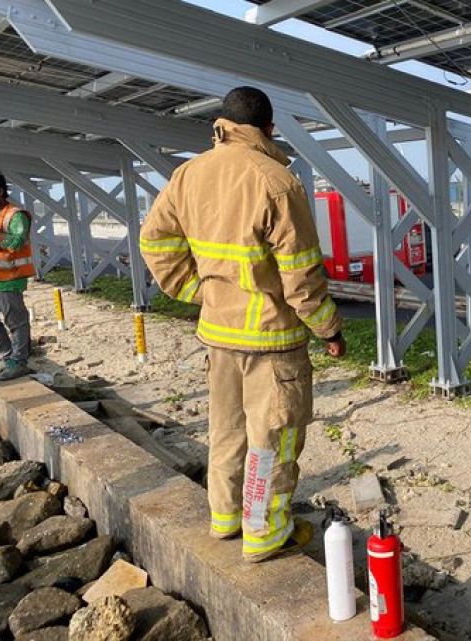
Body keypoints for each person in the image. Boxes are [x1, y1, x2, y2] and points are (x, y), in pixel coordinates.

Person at [141, 87, 345, 563]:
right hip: (273, 340)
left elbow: (155, 242)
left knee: (227, 431)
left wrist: (198, 293)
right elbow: (301, 276)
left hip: (219, 334)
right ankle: (265, 533)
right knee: (274, 435)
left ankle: (225, 518)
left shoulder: (187, 175)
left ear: (223, 124)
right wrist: (329, 329)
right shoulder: (277, 181)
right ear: (268, 130)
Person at [0, 170, 35, 382]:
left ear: (0, 191)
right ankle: (6, 356)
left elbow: (17, 241)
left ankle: (19, 362)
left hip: (9, 278)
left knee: (16, 321)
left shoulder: (15, 215)